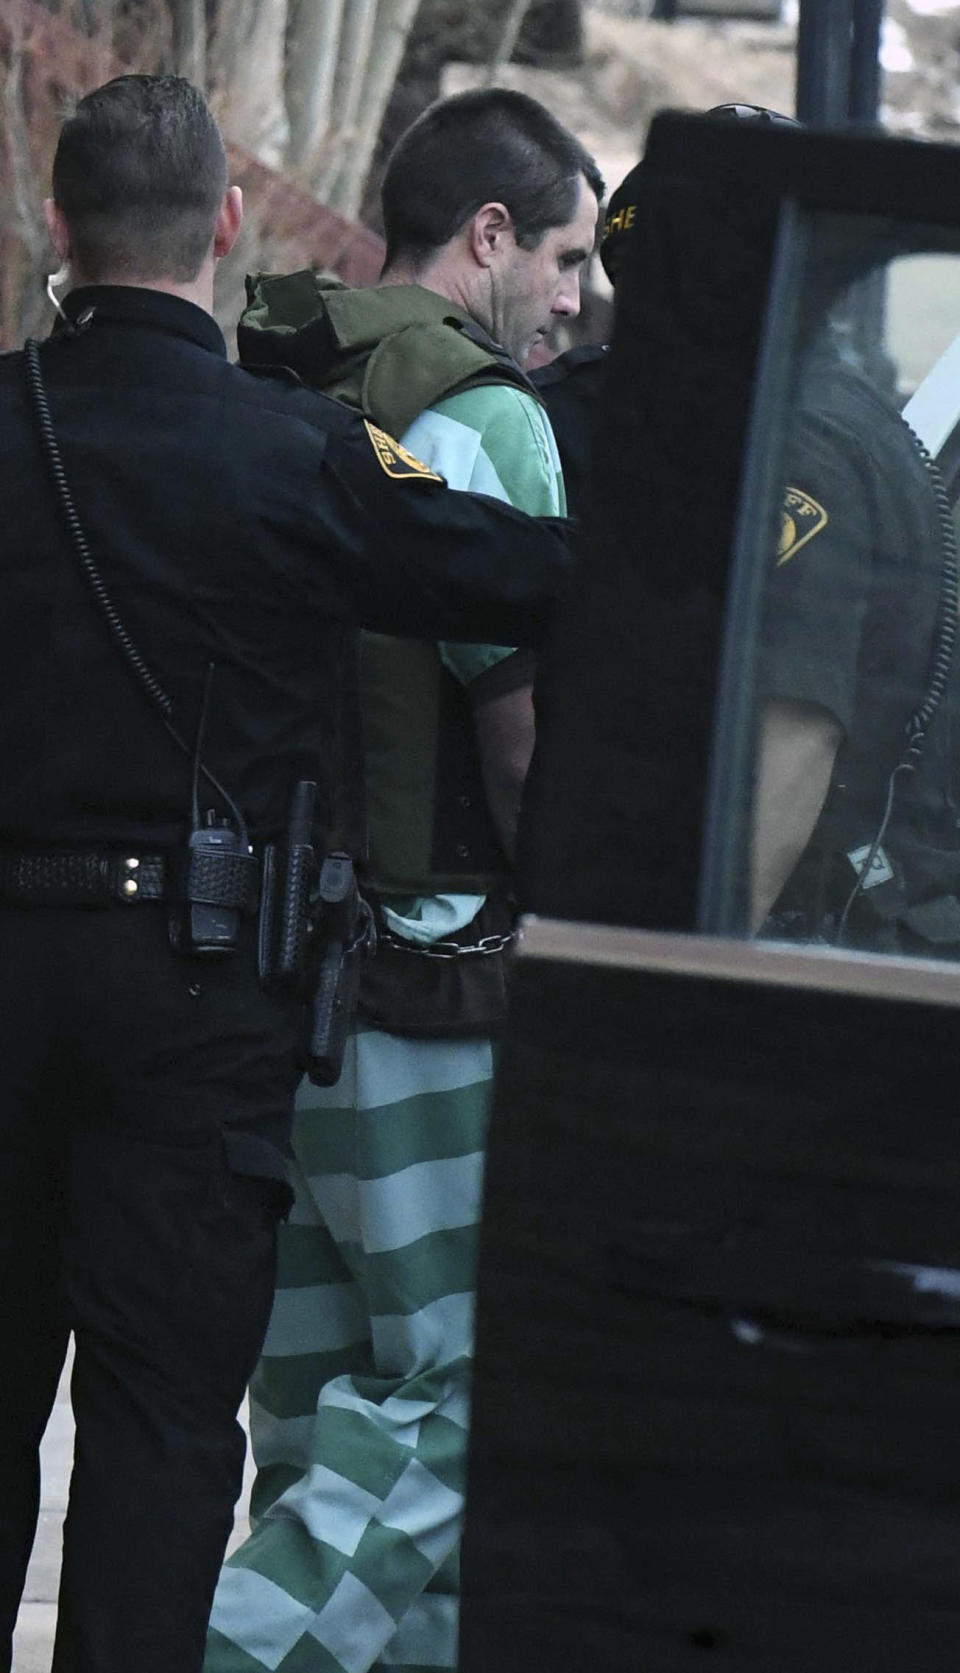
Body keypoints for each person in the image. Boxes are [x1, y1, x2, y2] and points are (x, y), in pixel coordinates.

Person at [0, 74, 577, 1673]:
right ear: (230, 223)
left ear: (58, 224)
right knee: (166, 1430)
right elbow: (522, 576)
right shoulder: (295, 454)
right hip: (199, 1010)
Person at [205, 89, 602, 1673]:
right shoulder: (490, 418)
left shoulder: (285, 375)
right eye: (565, 257)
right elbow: (518, 748)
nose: (576, 297)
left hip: (280, 981)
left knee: (313, 1430)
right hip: (435, 986)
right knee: (459, 1390)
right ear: (488, 236)